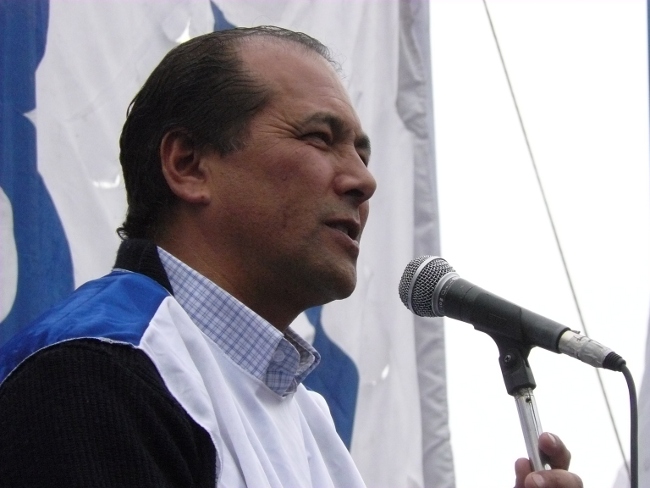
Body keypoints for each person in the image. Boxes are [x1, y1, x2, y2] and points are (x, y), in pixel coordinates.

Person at [0, 26, 582, 488]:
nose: (363, 181)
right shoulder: (92, 372)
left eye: (362, 153)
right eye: (319, 138)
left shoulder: (307, 417)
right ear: (188, 165)